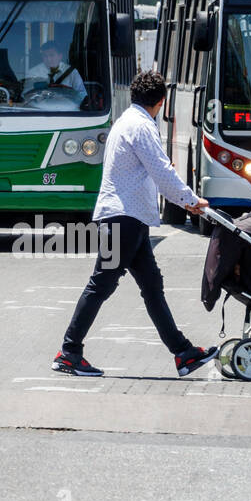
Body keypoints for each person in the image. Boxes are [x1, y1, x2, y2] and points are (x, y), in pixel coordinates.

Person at [53, 69, 219, 378]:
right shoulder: (142, 126)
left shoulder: (126, 121)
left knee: (152, 287)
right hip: (123, 219)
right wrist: (190, 201)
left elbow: (150, 168)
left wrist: (177, 191)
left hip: (130, 218)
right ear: (161, 101)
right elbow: (161, 170)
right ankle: (69, 351)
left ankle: (182, 352)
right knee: (101, 284)